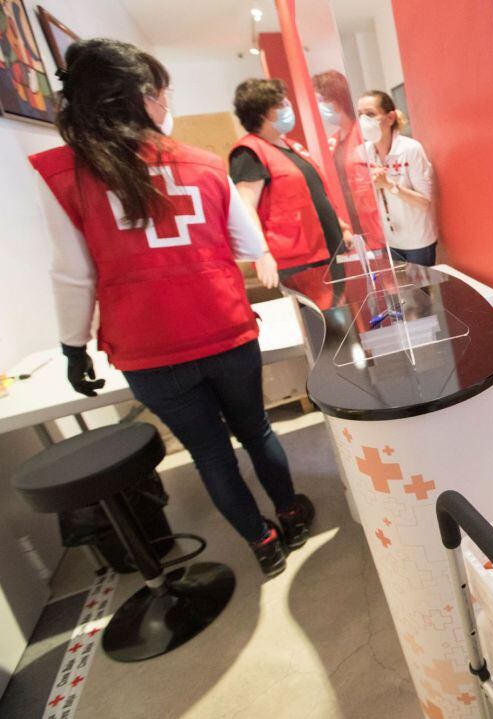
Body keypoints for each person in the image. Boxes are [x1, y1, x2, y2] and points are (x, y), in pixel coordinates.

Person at [29, 39, 314, 577]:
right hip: (225, 327)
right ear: (142, 95)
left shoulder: (61, 173)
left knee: (210, 453)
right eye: (163, 91)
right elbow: (250, 245)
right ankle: (292, 511)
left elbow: (73, 274)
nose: (167, 101)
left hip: (148, 349)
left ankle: (262, 543)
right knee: (257, 432)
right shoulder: (205, 163)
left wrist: (73, 347)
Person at [230, 78, 352, 269]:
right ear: (261, 113)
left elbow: (315, 193)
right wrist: (262, 252)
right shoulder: (249, 151)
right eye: (279, 104)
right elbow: (246, 207)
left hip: (328, 248)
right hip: (297, 258)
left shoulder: (291, 145)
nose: (287, 107)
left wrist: (340, 226)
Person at [358, 90, 439, 266]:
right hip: (388, 241)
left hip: (417, 241)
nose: (363, 121)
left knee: (420, 293)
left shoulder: (411, 149)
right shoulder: (363, 153)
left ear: (390, 118)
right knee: (397, 291)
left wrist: (388, 185)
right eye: (360, 115)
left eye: (370, 114)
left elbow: (424, 203)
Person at [313, 70, 384, 248]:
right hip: (352, 223)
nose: (319, 107)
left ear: (334, 99)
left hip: (377, 222)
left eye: (321, 100)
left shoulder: (363, 133)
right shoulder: (334, 141)